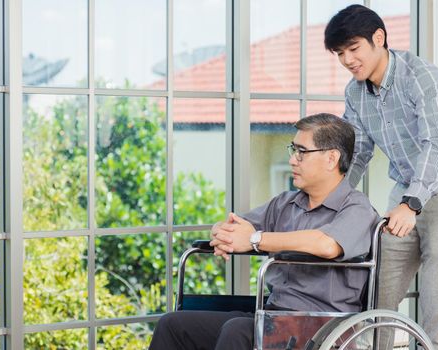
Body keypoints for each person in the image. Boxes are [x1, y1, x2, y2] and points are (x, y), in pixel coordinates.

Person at [324, 5, 438, 350]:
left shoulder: (422, 77)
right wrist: (330, 202)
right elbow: (359, 152)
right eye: (340, 54)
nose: (347, 60)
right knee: (379, 289)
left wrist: (411, 204)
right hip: (407, 192)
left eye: (353, 49)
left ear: (378, 39)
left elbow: (436, 144)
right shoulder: (355, 93)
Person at [148, 113, 379, 350]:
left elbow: (327, 244)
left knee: (238, 330)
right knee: (173, 325)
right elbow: (234, 226)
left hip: (324, 326)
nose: (292, 160)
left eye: (302, 151)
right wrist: (223, 233)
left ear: (331, 158)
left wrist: (254, 239)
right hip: (272, 316)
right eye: (293, 150)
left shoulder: (357, 208)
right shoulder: (285, 204)